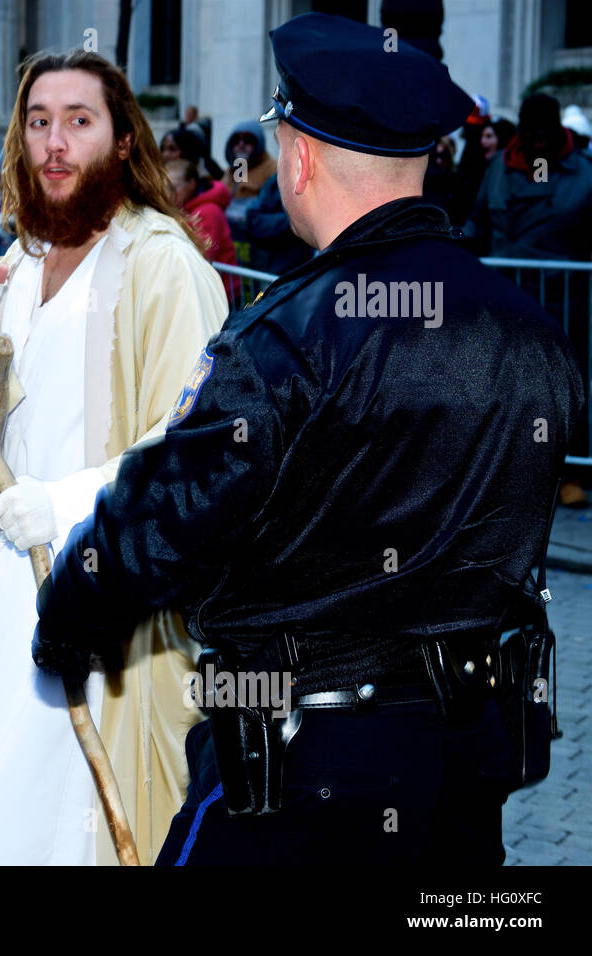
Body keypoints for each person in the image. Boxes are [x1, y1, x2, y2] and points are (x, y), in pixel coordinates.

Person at [33, 12, 584, 866]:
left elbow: (157, 522)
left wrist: (67, 615)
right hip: (464, 763)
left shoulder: (281, 341)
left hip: (303, 769)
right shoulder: (532, 331)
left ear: (300, 156)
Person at [0, 49, 227, 865]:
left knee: (83, 832)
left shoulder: (162, 265)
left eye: (79, 122)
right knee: (2, 828)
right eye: (39, 121)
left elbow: (190, 456)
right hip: (17, 603)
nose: (55, 143)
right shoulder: (20, 261)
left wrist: (64, 504)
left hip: (110, 616)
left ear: (124, 141)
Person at [465, 92, 592, 507]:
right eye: (530, 129)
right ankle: (515, 472)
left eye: (545, 130)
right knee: (509, 387)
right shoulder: (499, 169)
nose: (537, 139)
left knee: (566, 387)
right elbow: (478, 223)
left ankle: (569, 471)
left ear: (557, 129)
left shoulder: (584, 174)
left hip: (564, 303)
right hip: (505, 303)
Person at [167, 157, 237, 301]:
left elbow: (203, 254)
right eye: (163, 188)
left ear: (192, 183)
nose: (167, 194)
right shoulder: (183, 209)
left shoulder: (208, 211)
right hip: (207, 290)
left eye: (173, 188)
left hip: (221, 294)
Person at [221, 121, 276, 201]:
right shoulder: (230, 171)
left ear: (259, 143)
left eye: (248, 139)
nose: (241, 144)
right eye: (236, 140)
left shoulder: (272, 169)